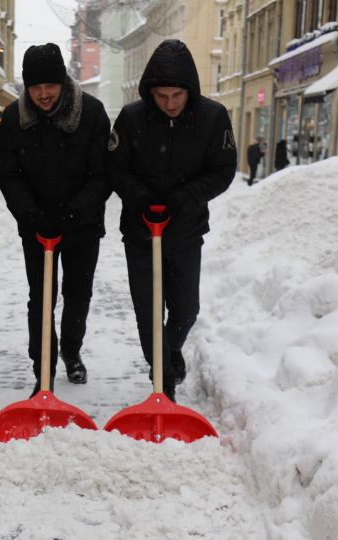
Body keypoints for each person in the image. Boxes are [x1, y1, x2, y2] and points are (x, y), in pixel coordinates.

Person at [106, 39, 237, 402]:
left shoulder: (213, 117)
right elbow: (115, 167)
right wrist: (142, 198)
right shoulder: (132, 118)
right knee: (148, 312)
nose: (169, 104)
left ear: (189, 90)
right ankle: (162, 385)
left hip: (185, 229)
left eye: (176, 95)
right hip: (140, 231)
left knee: (185, 308)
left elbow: (223, 170)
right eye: (161, 96)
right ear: (150, 92)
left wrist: (182, 198)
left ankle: (169, 353)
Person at [0, 43, 112, 396]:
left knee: (78, 294)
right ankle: (42, 371)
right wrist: (30, 213)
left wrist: (75, 211)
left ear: (62, 81)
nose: (43, 94)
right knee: (41, 297)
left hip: (82, 223)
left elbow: (103, 173)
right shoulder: (14, 118)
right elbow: (9, 173)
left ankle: (71, 350)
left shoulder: (91, 113)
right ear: (27, 87)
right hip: (37, 226)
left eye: (50, 86)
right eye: (35, 87)